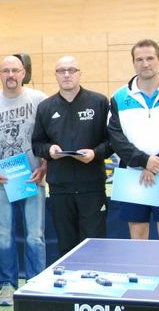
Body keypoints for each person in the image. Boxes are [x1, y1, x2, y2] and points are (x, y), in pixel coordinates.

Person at [108, 39, 159, 241]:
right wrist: (143, 161)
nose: (146, 64)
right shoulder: (119, 97)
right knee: (137, 234)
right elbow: (116, 138)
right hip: (131, 175)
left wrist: (155, 164)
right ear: (133, 63)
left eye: (150, 58)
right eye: (140, 59)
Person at [0, 55, 48, 306]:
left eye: (15, 70)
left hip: (32, 178)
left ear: (24, 73)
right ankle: (7, 286)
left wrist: (44, 165)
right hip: (2, 179)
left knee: (35, 236)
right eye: (5, 71)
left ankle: (36, 285)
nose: (11, 75)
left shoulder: (39, 99)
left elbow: (46, 137)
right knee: (3, 236)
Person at [32, 56, 111, 255]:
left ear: (80, 73)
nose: (67, 74)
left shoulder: (99, 102)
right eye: (61, 71)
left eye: (72, 70)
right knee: (66, 245)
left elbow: (111, 142)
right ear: (56, 75)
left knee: (95, 244)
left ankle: (94, 284)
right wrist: (49, 151)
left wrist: (95, 153)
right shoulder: (46, 107)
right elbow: (37, 144)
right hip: (60, 188)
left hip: (92, 186)